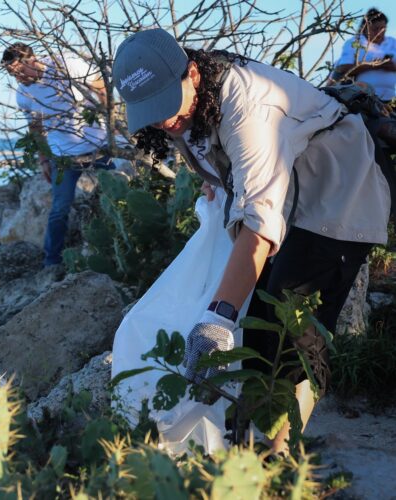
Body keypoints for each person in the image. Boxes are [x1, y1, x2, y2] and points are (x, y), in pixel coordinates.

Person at [113, 28, 390, 454]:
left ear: (192, 72)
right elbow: (222, 164)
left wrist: (215, 319)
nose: (166, 121)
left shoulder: (249, 106)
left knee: (293, 332)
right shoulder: (191, 103)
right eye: (152, 113)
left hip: (337, 196)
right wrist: (214, 182)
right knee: (253, 330)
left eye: (167, 105)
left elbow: (260, 224)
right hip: (287, 196)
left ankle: (278, 459)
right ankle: (243, 451)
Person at [1, 43, 116, 276]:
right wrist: (43, 159)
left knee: (117, 197)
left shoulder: (66, 65)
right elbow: (35, 127)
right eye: (12, 75)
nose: (18, 78)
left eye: (19, 71)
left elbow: (100, 86)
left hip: (98, 146)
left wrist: (109, 122)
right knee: (59, 209)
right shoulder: (24, 93)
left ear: (32, 60)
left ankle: (117, 250)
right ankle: (51, 262)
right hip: (63, 157)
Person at [333, 8, 395, 102]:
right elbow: (343, 69)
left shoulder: (393, 43)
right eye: (375, 29)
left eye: (383, 29)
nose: (380, 32)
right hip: (363, 98)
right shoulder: (354, 43)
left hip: (391, 98)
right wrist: (375, 65)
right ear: (365, 27)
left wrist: (392, 66)